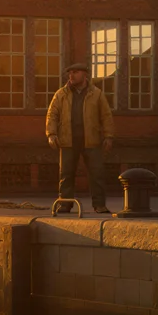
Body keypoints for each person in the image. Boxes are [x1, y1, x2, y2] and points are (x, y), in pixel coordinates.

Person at [43, 65, 115, 214]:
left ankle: (99, 205)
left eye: (75, 72)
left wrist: (108, 136)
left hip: (91, 140)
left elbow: (106, 116)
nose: (71, 75)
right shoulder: (60, 94)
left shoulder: (97, 94)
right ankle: (65, 204)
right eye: (69, 73)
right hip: (67, 140)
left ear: (85, 75)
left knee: (97, 174)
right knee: (66, 174)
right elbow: (52, 115)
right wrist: (51, 134)